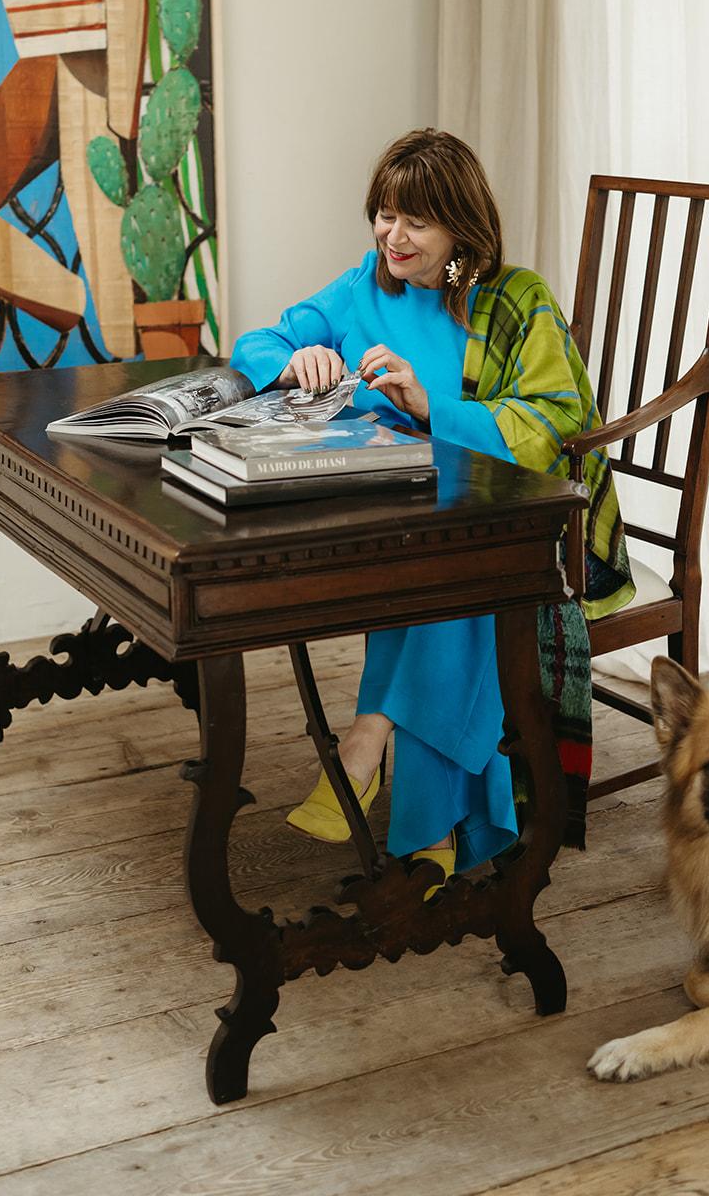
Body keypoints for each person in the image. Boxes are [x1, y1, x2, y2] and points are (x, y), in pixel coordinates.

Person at [231, 130, 634, 891]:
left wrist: (431, 404)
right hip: (410, 518)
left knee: (457, 583)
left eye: (414, 220)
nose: (392, 235)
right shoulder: (362, 288)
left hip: (524, 524)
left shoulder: (512, 300)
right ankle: (437, 831)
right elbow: (258, 340)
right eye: (383, 214)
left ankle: (371, 740)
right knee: (435, 575)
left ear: (458, 229)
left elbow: (558, 421)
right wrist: (290, 361)